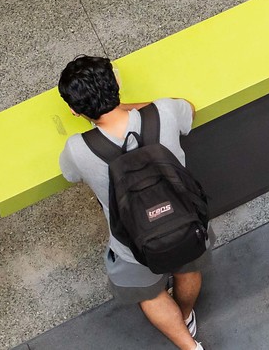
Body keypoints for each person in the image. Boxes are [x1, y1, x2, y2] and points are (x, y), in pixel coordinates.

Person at [57, 57, 206, 350]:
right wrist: (128, 107)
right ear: (118, 85)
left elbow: (69, 175)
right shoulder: (163, 111)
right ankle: (185, 315)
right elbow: (188, 108)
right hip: (185, 222)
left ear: (75, 111)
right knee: (188, 268)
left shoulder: (77, 148)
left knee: (148, 293)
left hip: (133, 243)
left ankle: (190, 347)